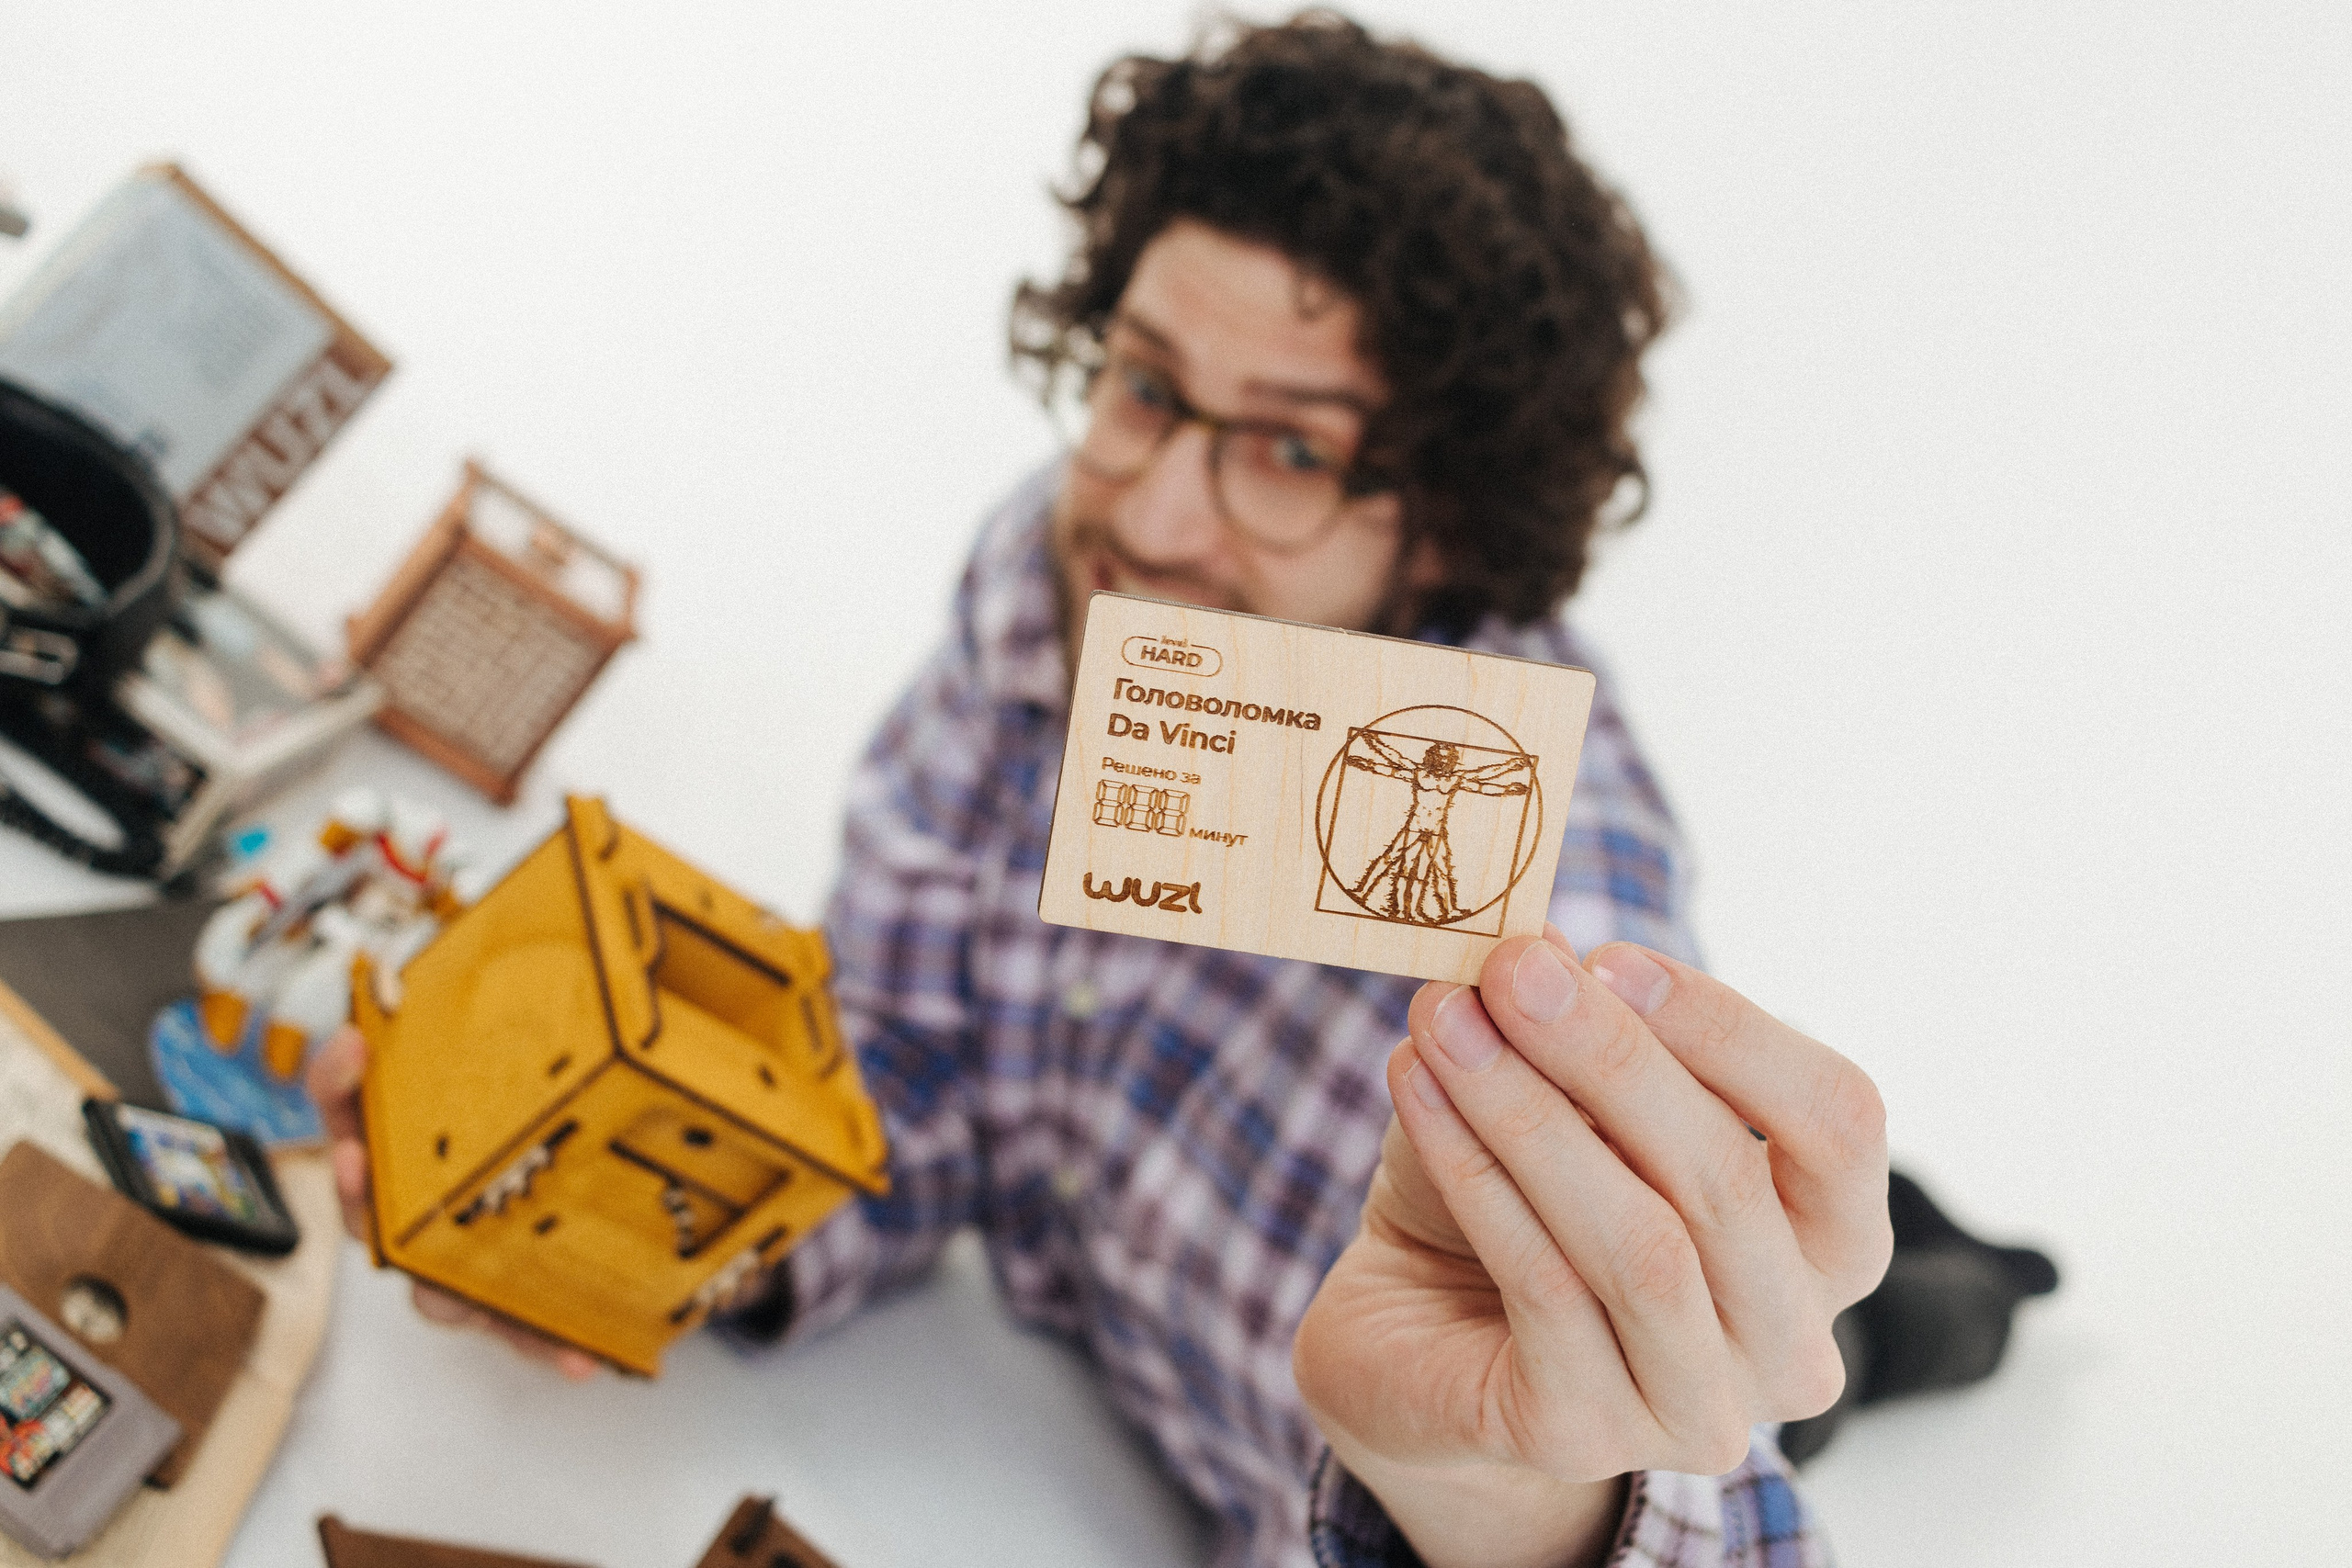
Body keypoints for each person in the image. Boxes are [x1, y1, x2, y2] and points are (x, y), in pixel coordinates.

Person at [316, 15, 1902, 1566]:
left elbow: (1716, 1514)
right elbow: (915, 1067)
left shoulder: (1555, 916)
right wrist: (631, 1215)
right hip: (1080, 1340)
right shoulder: (1055, 577)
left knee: (1837, 1335)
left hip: (1351, 1488)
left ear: (1450, 526)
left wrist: (1515, 1515)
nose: (1148, 519)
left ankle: (1928, 1299)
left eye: (1289, 453)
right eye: (1144, 386)